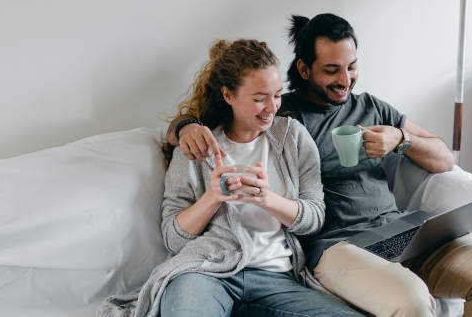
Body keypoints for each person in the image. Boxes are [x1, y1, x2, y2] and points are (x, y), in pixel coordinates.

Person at [166, 14, 472, 317]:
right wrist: (185, 127)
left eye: (351, 67)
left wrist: (401, 139)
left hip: (399, 231)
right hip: (338, 246)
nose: (345, 79)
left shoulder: (372, 107)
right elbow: (217, 121)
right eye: (331, 70)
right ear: (305, 69)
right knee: (411, 299)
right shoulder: (285, 117)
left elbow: (444, 158)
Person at [97, 39, 364, 317]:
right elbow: (173, 240)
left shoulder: (293, 138)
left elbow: (314, 219)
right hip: (204, 273)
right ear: (228, 95)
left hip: (277, 278)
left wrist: (266, 199)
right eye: (259, 99)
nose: (271, 107)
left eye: (277, 95)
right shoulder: (196, 147)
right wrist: (213, 196)